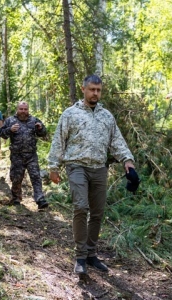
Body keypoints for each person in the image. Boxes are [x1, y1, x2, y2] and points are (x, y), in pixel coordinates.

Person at [48, 75, 135, 274]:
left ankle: (91, 254)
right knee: (80, 207)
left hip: (99, 168)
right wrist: (53, 167)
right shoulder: (70, 114)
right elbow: (58, 140)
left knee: (97, 212)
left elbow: (117, 142)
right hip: (76, 166)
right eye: (92, 89)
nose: (95, 93)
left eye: (98, 90)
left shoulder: (106, 116)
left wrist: (127, 161)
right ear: (83, 89)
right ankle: (80, 257)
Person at [0, 101, 49, 209]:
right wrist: (10, 130)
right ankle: (16, 197)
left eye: (25, 109)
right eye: (21, 109)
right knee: (16, 178)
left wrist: (40, 128)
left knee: (36, 176)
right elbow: (2, 133)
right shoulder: (10, 120)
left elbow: (44, 133)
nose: (23, 111)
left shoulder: (34, 120)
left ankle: (40, 199)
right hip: (17, 156)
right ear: (17, 109)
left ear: (28, 110)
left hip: (31, 155)